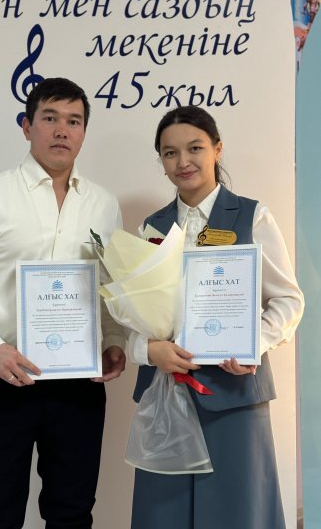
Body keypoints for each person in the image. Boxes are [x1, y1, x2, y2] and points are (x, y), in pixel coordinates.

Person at [0, 77, 126, 529]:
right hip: (3, 377)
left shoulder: (103, 203)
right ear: (26, 126)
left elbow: (110, 281)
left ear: (84, 132)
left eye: (74, 121)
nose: (62, 130)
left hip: (79, 384)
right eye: (50, 118)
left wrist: (114, 339)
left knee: (73, 514)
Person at [128, 105, 304, 529]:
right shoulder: (151, 228)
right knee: (163, 514)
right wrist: (149, 351)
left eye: (195, 148)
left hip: (235, 392)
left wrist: (252, 345)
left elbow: (287, 300)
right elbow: (132, 316)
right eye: (170, 153)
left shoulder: (251, 216)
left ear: (217, 149)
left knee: (236, 512)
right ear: (161, 160)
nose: (183, 161)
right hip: (166, 393)